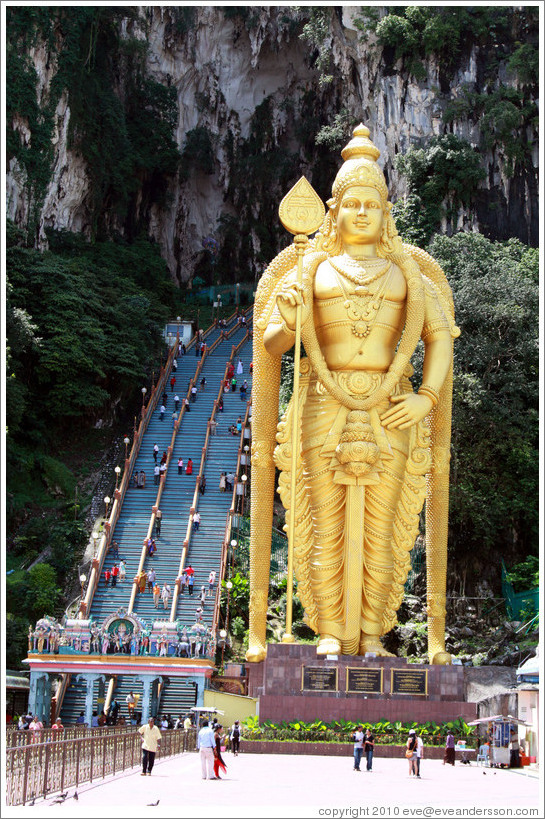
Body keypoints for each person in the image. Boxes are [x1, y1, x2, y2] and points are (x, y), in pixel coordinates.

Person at [247, 123, 458, 663]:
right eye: (351, 203)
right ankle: (331, 631)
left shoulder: (408, 275)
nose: (361, 213)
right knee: (325, 527)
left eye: (372, 203)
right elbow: (272, 345)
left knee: (384, 530)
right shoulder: (311, 269)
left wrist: (426, 398)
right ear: (334, 211)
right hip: (324, 403)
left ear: (386, 212)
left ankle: (371, 633)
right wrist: (291, 312)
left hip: (393, 410)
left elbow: (439, 340)